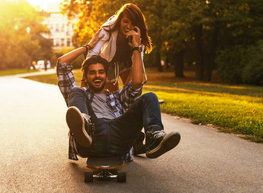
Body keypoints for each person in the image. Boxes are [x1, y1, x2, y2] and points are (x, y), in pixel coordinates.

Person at [57, 26, 180, 161]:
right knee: (76, 91)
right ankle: (84, 126)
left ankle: (154, 137)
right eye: (92, 73)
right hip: (91, 138)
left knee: (149, 97)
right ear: (85, 78)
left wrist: (136, 48)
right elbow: (62, 64)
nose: (97, 76)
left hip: (119, 139)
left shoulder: (118, 97)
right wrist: (88, 46)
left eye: (101, 72)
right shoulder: (80, 97)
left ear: (106, 76)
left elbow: (137, 83)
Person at [86, 3, 152, 92]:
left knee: (132, 89)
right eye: (126, 21)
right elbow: (91, 55)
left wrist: (127, 91)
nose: (128, 26)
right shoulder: (107, 29)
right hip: (108, 62)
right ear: (120, 20)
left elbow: (137, 65)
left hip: (127, 62)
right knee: (110, 95)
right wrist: (85, 79)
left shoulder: (138, 36)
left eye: (133, 24)